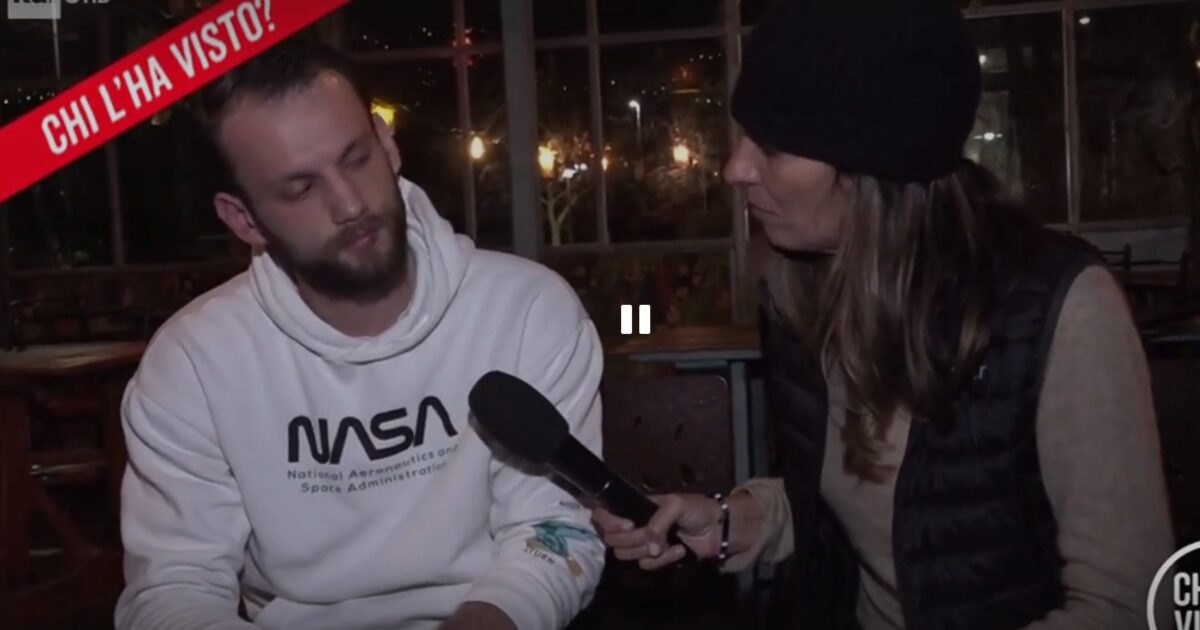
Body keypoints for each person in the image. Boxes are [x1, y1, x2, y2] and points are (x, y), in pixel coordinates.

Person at [593, 1, 1175, 628]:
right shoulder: (804, 290)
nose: (734, 168)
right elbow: (866, 508)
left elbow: (1129, 607)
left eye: (774, 147)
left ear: (875, 165)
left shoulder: (1065, 308)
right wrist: (738, 519)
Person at [115, 39, 605, 630]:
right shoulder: (192, 362)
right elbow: (174, 586)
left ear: (387, 143)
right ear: (243, 219)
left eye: (356, 158)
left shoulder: (525, 309)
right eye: (302, 188)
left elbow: (554, 531)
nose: (349, 204)